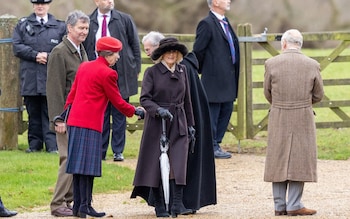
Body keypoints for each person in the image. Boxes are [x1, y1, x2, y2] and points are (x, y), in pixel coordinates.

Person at [54, 36, 144, 218]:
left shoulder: (84, 66)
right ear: (109, 54)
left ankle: (79, 206)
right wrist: (135, 111)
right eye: (117, 54)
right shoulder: (108, 73)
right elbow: (117, 100)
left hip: (74, 122)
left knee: (78, 167)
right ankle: (85, 205)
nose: (118, 57)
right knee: (87, 168)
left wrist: (65, 114)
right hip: (90, 123)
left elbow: (72, 94)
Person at [131, 37, 195, 218]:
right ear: (162, 54)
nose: (172, 54)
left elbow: (187, 100)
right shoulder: (152, 72)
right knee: (155, 164)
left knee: (179, 163)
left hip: (179, 121)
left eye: (175, 51)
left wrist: (191, 125)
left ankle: (176, 204)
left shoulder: (183, 71)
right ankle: (159, 205)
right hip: (157, 123)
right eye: (168, 51)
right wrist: (158, 110)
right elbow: (144, 99)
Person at [263, 29, 324, 216]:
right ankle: (294, 204)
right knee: (300, 158)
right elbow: (318, 94)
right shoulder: (312, 64)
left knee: (278, 157)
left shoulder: (271, 63)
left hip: (279, 113)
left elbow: (267, 92)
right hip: (302, 115)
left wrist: (280, 103)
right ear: (300, 44)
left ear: (283, 44)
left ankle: (279, 205)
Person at [83, 0, 141, 162]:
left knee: (119, 113)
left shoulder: (124, 19)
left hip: (121, 71)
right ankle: (100, 151)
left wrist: (135, 68)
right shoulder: (89, 21)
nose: (110, 1)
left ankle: (118, 151)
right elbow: (86, 47)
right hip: (97, 71)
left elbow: (134, 45)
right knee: (101, 112)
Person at [47, 10, 90, 217]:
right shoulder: (59, 52)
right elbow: (54, 89)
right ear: (70, 28)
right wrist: (58, 118)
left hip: (80, 116)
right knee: (66, 158)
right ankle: (57, 204)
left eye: (87, 28)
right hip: (65, 117)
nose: (84, 32)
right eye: (81, 28)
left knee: (75, 158)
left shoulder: (82, 50)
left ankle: (70, 200)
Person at [12, 0, 66, 153]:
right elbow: (17, 46)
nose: (40, 6)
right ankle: (34, 145)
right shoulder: (22, 25)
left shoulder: (60, 26)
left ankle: (52, 146)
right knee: (33, 112)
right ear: (33, 5)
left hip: (51, 77)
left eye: (43, 4)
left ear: (49, 5)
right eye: (37, 4)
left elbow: (63, 48)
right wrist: (35, 55)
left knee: (51, 111)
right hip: (30, 77)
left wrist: (49, 57)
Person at [193, 0, 240, 159]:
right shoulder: (206, 24)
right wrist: (203, 70)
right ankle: (211, 146)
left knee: (226, 111)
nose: (228, 1)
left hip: (229, 78)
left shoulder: (225, 22)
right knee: (212, 114)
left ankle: (216, 143)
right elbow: (198, 50)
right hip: (213, 78)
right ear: (215, 2)